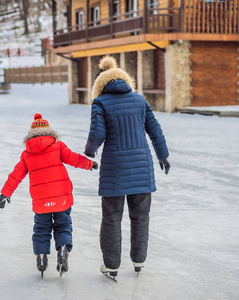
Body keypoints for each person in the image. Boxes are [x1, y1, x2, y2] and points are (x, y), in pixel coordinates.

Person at [84, 56, 170, 281]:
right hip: (142, 168)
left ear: (99, 85)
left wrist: (89, 151)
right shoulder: (140, 100)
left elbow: (98, 133)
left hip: (115, 171)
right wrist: (163, 155)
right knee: (140, 216)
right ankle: (139, 261)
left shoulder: (100, 103)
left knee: (111, 218)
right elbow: (155, 130)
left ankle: (111, 266)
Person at [0, 113, 98, 277]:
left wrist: (5, 193)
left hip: (41, 201)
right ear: (49, 132)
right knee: (63, 225)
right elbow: (74, 159)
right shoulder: (58, 146)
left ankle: (42, 257)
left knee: (41, 229)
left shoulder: (27, 154)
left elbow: (16, 175)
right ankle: (63, 249)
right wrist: (90, 164)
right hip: (62, 198)